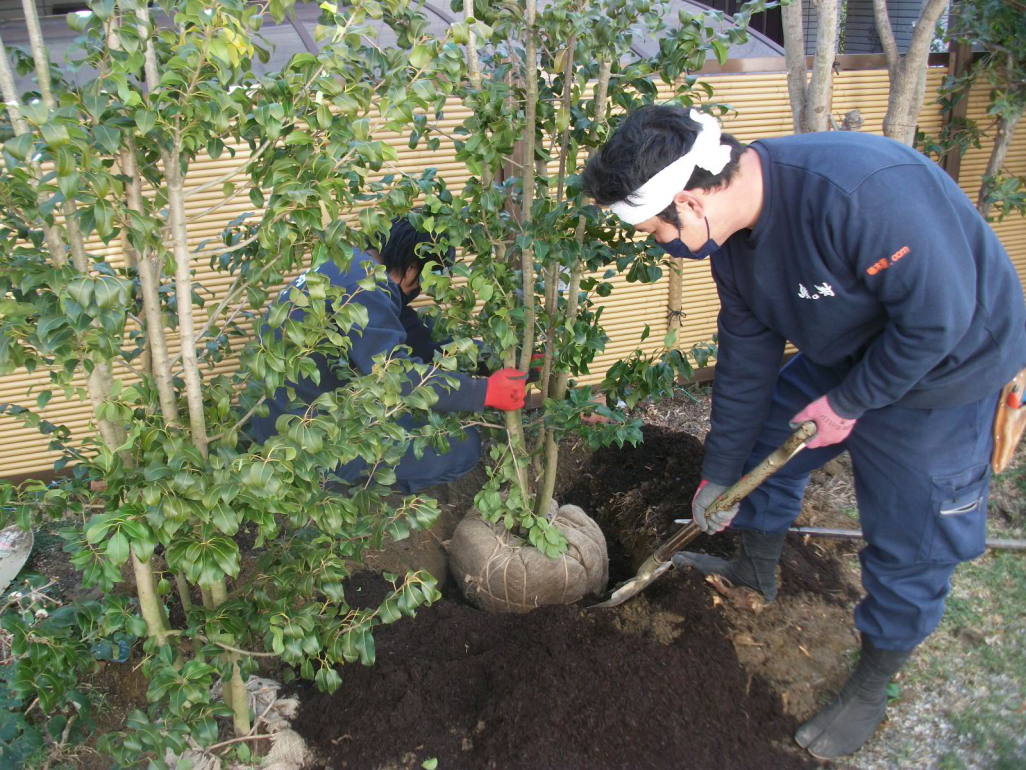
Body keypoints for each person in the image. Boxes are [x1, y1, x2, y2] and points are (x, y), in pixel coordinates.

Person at [581, 105, 1026, 759]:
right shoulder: (733, 252)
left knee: (912, 537)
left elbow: (938, 320)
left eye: (654, 230)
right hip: (849, 352)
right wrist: (721, 470)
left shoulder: (860, 193)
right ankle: (755, 567)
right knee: (766, 436)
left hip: (947, 368)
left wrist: (849, 401)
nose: (659, 244)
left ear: (690, 201)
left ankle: (872, 686)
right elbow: (745, 364)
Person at [248, 217, 527, 493]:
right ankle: (348, 495)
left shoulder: (350, 269)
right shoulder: (367, 290)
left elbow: (422, 345)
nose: (419, 292)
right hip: (307, 447)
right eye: (423, 282)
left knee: (423, 415)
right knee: (462, 444)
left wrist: (493, 360)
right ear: (412, 269)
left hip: (281, 426)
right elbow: (395, 376)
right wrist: (483, 393)